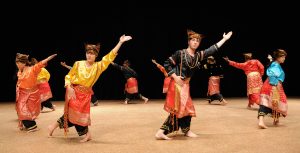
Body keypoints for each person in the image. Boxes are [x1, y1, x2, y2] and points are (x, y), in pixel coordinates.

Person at [47, 34, 132, 142]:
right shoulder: (78, 64)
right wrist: (68, 87)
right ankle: (86, 134)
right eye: (88, 53)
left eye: (92, 54)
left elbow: (110, 56)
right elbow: (69, 76)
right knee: (74, 114)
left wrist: (120, 43)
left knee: (74, 115)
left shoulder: (98, 66)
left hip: (85, 95)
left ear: (96, 55)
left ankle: (54, 127)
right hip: (74, 93)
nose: (89, 55)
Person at [155, 29, 233, 140]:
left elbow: (211, 50)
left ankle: (186, 130)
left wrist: (224, 39)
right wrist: (175, 77)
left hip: (185, 85)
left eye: (198, 41)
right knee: (179, 109)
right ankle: (161, 132)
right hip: (177, 84)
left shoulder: (198, 56)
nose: (195, 42)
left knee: (187, 108)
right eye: (193, 40)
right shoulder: (180, 53)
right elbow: (167, 64)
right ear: (189, 42)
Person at [15, 53, 57, 132]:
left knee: (24, 110)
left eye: (18, 63)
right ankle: (28, 124)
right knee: (20, 110)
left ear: (23, 63)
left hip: (31, 94)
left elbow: (40, 64)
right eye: (16, 63)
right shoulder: (20, 71)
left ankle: (32, 125)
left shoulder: (33, 69)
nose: (17, 65)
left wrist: (48, 58)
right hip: (22, 94)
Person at [258, 49, 287, 129]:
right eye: (283, 57)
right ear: (278, 57)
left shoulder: (274, 64)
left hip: (270, 85)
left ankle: (275, 120)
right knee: (269, 103)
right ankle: (262, 121)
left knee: (273, 103)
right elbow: (272, 75)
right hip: (272, 85)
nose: (284, 58)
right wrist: (274, 86)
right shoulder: (275, 65)